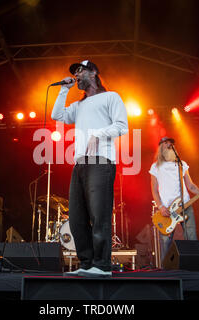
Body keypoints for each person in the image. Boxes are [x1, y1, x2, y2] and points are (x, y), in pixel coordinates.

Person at [51, 60, 128, 277]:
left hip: (101, 161)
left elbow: (122, 125)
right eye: (74, 71)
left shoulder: (111, 97)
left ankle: (102, 265)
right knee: (76, 216)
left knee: (98, 214)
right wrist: (63, 91)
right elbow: (57, 115)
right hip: (80, 163)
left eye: (80, 70)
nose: (76, 74)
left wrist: (98, 134)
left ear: (93, 72)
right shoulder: (79, 105)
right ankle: (86, 263)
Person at [149, 136, 199, 262]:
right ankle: (165, 269)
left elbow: (190, 185)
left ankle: (194, 265)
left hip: (185, 205)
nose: (169, 145)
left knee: (191, 236)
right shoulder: (156, 167)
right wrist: (161, 207)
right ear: (161, 147)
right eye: (166, 143)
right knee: (166, 242)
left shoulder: (182, 164)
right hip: (166, 209)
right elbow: (154, 190)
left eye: (171, 143)